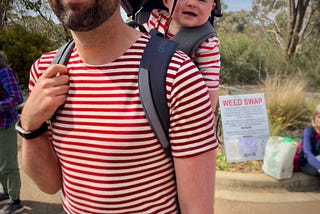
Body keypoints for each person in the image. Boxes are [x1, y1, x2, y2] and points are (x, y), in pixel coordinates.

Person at [17, 0, 218, 213]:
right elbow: (49, 185)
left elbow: (197, 208)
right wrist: (30, 122)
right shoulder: (45, 71)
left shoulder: (177, 74)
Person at [143, 0, 221, 111]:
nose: (192, 3)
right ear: (166, 1)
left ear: (212, 7)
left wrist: (206, 118)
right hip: (146, 94)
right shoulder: (156, 18)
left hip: (182, 106)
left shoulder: (207, 42)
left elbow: (210, 87)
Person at [0, 51, 24, 214]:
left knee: (8, 164)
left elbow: (17, 97)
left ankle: (16, 201)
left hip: (5, 124)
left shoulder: (4, 71)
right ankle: (7, 192)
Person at [300, 105, 320, 177]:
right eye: (319, 117)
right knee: (315, 171)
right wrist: (318, 166)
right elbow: (307, 152)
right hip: (308, 161)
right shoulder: (308, 131)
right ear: (313, 120)